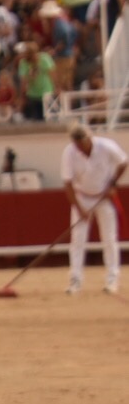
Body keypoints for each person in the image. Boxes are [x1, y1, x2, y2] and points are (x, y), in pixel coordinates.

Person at [60, 124, 126, 295]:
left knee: (109, 238)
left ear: (89, 138)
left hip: (103, 197)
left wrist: (112, 184)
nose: (79, 147)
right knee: (77, 240)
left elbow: (123, 162)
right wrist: (79, 207)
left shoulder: (106, 146)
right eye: (76, 144)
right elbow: (67, 183)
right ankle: (75, 280)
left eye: (81, 143)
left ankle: (112, 279)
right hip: (82, 196)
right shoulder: (70, 152)